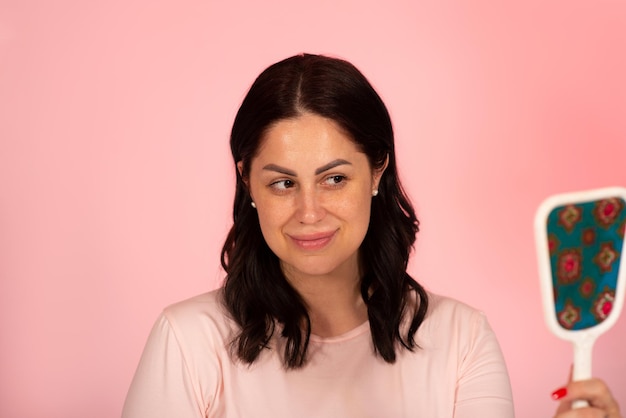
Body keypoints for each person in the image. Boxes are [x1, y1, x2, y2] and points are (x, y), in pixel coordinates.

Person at [121, 54, 620, 417]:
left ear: (377, 170)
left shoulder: (461, 341)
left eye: (334, 178)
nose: (309, 211)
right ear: (247, 179)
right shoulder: (188, 343)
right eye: (282, 183)